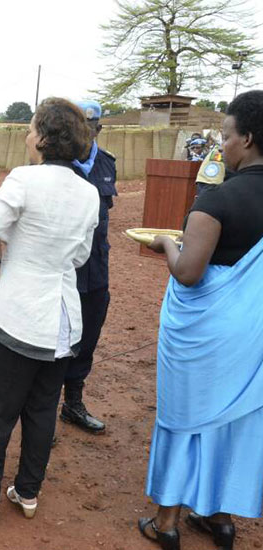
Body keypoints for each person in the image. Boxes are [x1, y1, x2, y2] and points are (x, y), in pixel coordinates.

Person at [0, 98, 99, 528]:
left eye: (32, 128)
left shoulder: (24, 179)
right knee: (41, 409)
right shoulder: (88, 192)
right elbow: (80, 256)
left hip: (19, 316)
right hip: (63, 320)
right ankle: (28, 492)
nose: (27, 135)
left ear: (45, 138)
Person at [138, 90, 263, 550]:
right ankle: (219, 517)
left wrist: (166, 244)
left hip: (208, 332)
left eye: (226, 136)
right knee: (233, 417)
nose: (222, 146)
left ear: (246, 139)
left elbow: (189, 273)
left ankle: (167, 522)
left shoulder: (218, 200)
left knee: (185, 415)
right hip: (255, 329)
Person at [59, 100, 117, 435]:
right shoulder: (56, 164)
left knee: (88, 338)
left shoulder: (107, 163)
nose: (83, 134)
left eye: (90, 128)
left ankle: (73, 403)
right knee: (54, 341)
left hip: (96, 270)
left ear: (98, 129)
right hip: (63, 270)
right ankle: (40, 412)